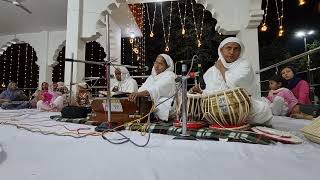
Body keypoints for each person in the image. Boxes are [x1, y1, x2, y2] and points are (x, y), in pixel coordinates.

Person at [191, 37, 272, 125]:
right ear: (221, 50)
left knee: (263, 110)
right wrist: (201, 92)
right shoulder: (212, 70)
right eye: (228, 48)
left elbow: (235, 83)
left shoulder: (244, 64)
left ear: (240, 51)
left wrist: (221, 68)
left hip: (242, 105)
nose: (232, 52)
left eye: (236, 49)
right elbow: (209, 92)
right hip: (217, 107)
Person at [128, 54, 176, 121]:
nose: (156, 66)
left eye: (160, 64)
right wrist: (135, 94)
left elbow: (156, 88)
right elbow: (142, 89)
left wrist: (139, 94)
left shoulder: (170, 76)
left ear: (167, 66)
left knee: (160, 103)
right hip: (150, 105)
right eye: (156, 62)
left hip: (167, 104)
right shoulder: (152, 77)